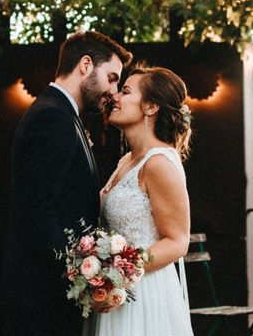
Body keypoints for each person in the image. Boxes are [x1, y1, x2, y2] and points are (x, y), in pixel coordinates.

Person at [0, 30, 132, 336]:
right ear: (86, 65)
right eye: (112, 78)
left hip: (47, 298)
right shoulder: (53, 118)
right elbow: (39, 211)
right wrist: (81, 275)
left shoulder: (63, 115)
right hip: (40, 300)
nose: (113, 92)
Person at [86, 66, 194, 336]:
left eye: (125, 91)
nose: (115, 97)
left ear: (151, 107)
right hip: (118, 291)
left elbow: (178, 241)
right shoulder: (127, 160)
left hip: (146, 293)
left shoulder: (159, 163)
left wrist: (119, 272)